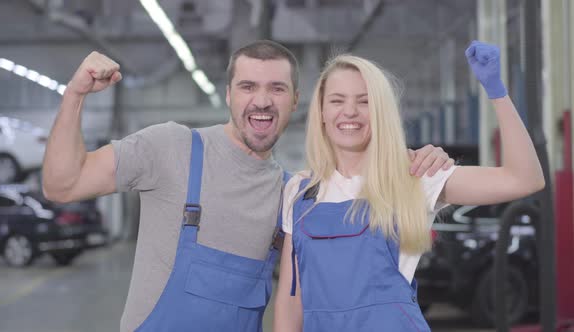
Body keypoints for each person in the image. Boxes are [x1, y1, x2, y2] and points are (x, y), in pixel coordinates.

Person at [42, 40, 454, 332]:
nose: (262, 100)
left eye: (276, 88)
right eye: (248, 87)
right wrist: (75, 94)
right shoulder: (171, 146)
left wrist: (417, 162)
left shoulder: (294, 195)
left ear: (295, 101)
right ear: (228, 95)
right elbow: (62, 186)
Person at [273, 40, 545, 332]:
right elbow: (292, 301)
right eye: (337, 101)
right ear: (322, 113)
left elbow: (524, 179)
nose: (349, 111)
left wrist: (497, 92)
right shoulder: (300, 191)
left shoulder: (414, 175)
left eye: (365, 101)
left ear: (381, 112)